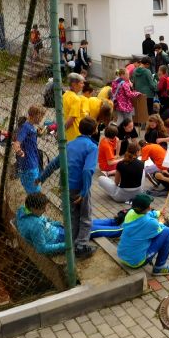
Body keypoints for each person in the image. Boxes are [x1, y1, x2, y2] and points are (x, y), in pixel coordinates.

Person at [37, 117, 99, 259]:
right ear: (94, 130)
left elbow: (55, 162)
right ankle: (81, 246)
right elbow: (87, 170)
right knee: (86, 217)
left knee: (73, 215)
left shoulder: (70, 144)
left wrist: (41, 178)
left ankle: (71, 243)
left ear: (79, 129)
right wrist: (84, 191)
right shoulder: (92, 147)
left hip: (66, 186)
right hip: (80, 187)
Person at [117, 193, 169, 274]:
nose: (150, 206)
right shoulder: (150, 223)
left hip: (122, 256)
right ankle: (160, 267)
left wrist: (158, 213)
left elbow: (147, 214)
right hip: (136, 262)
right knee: (168, 232)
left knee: (148, 234)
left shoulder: (131, 212)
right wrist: (161, 222)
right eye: (149, 205)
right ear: (148, 207)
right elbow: (160, 228)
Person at [12, 105, 45, 194]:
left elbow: (28, 139)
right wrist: (20, 152)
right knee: (35, 194)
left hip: (33, 162)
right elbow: (16, 144)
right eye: (41, 116)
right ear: (34, 115)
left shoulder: (30, 126)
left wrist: (37, 134)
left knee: (34, 191)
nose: (42, 119)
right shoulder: (26, 127)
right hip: (29, 165)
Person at [132, 56, 158, 125]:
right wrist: (156, 87)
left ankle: (142, 125)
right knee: (149, 111)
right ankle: (149, 126)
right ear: (147, 64)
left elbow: (133, 83)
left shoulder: (135, 71)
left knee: (141, 111)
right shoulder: (147, 71)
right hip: (148, 94)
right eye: (149, 65)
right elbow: (151, 84)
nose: (149, 67)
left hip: (138, 93)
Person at [63, 73, 85, 142]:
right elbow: (72, 118)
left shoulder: (65, 94)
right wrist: (62, 131)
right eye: (81, 83)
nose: (83, 85)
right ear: (74, 84)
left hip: (67, 131)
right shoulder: (76, 99)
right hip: (74, 133)